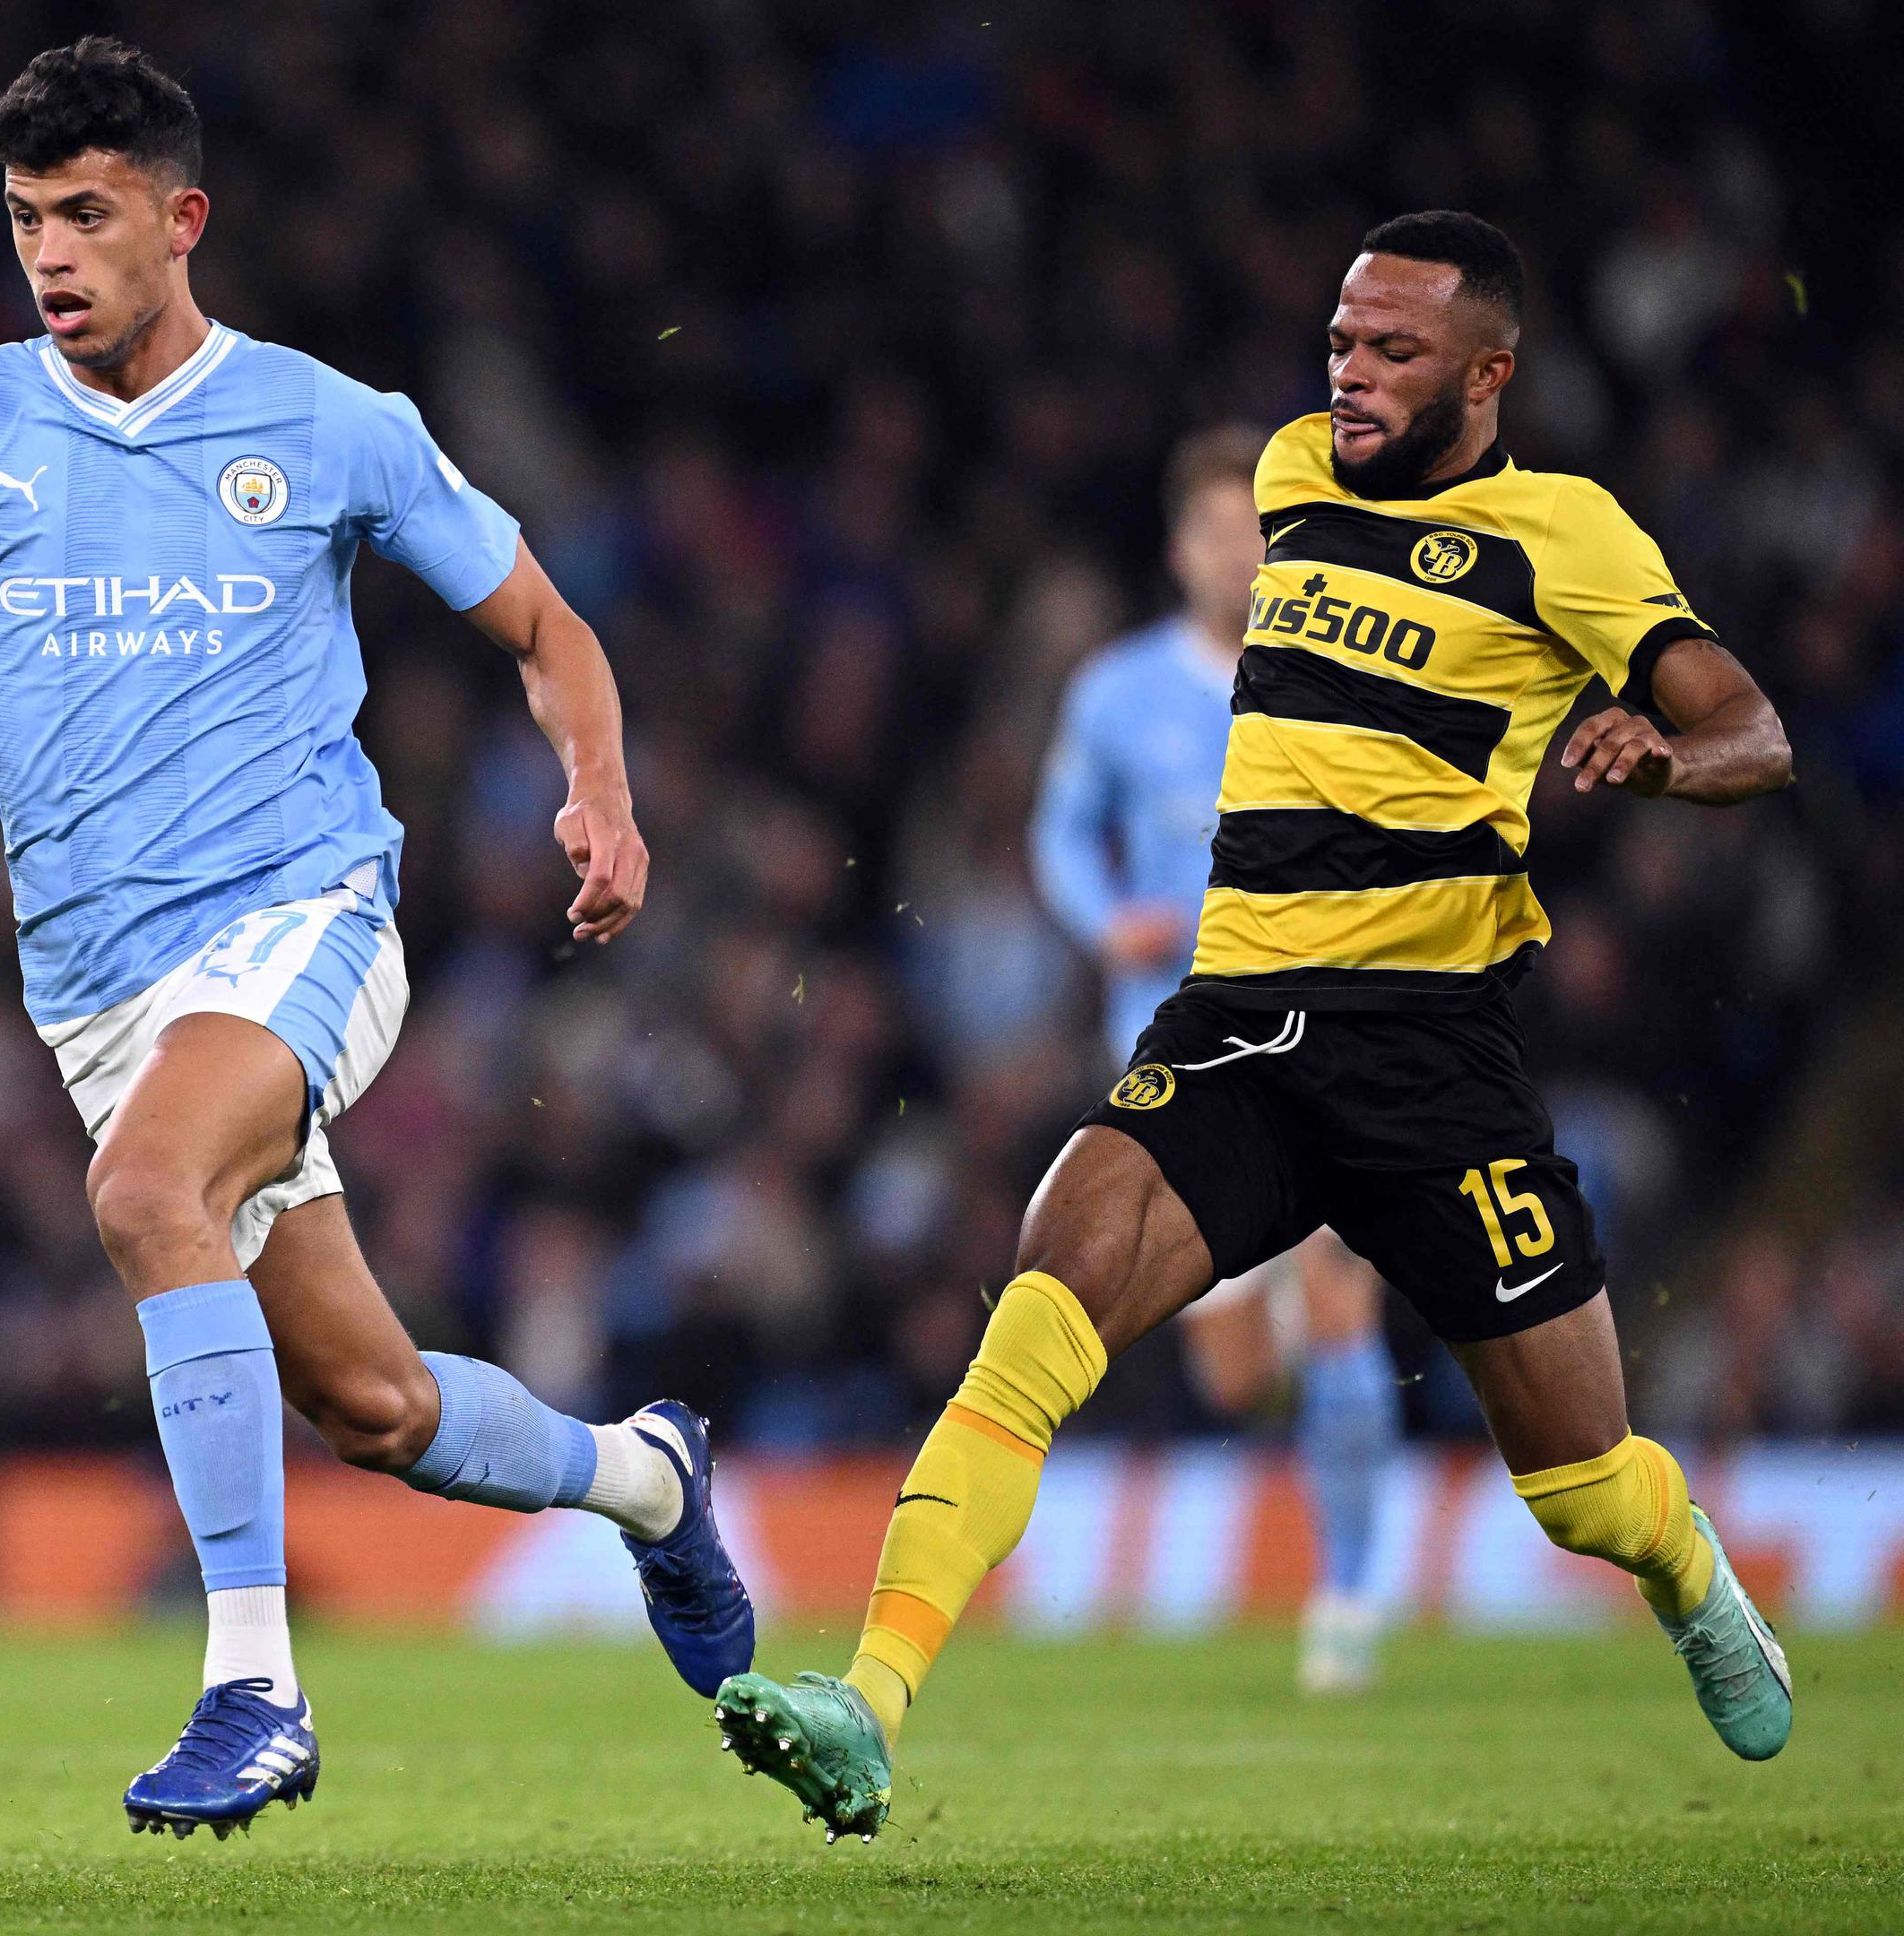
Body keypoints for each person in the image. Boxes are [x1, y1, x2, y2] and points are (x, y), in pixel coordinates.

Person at [0, 38, 751, 1838]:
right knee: (372, 1407)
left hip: (305, 917)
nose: (48, 254)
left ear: (182, 219)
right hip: (94, 991)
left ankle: (251, 1690)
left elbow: (549, 635)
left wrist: (600, 796)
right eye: (21, 218)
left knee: (148, 1198)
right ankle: (651, 1483)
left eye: (85, 214)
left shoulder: (329, 425)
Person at [718, 211, 1797, 1842]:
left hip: (1433, 1055)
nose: (1352, 377)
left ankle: (1689, 1565)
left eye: (1396, 353)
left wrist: (1663, 754)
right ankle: (867, 1705)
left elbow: (1758, 730)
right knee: (1043, 1292)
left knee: (1579, 1485)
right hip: (1238, 1020)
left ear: (1489, 374)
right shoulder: (1292, 471)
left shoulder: (1563, 536)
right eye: (1344, 343)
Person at [1028, 425, 1400, 1695]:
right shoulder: (1117, 694)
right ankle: (1314, 1377)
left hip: (1307, 1028)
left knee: (1339, 1297)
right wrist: (1102, 917)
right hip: (1167, 1045)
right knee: (1235, 1371)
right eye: (1215, 530)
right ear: (1181, 548)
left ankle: (1347, 1601)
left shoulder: (1340, 680)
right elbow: (1061, 837)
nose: (1239, 550)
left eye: (1259, 526)